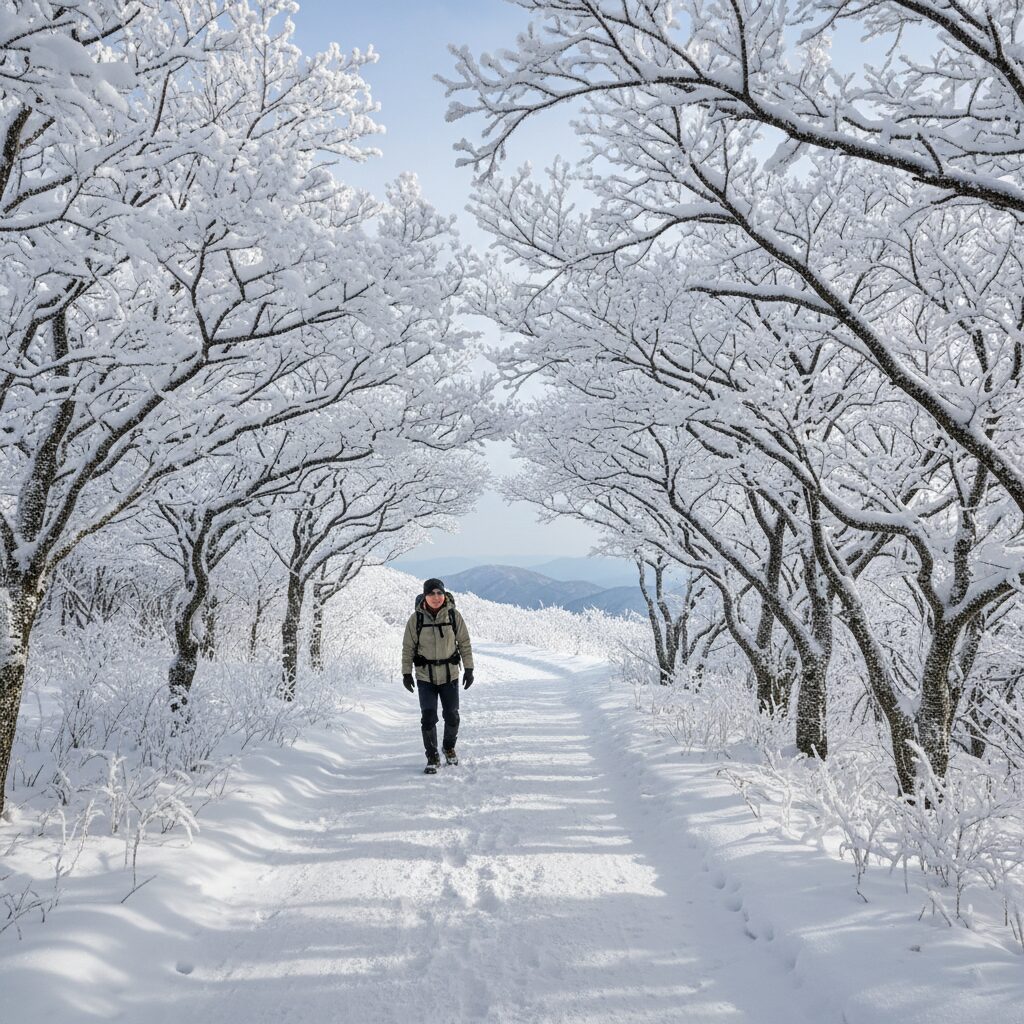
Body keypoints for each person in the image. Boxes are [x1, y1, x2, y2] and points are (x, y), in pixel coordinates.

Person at [402, 578, 475, 773]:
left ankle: (448, 747)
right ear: (425, 596)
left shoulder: (453, 615)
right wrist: (406, 673)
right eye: (432, 593)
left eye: (439, 593)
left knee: (452, 715)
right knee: (428, 716)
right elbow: (408, 648)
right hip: (425, 676)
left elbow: (465, 643)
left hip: (449, 674)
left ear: (444, 595)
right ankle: (432, 754)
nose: (436, 597)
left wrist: (469, 669)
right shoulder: (416, 619)